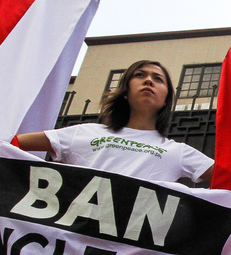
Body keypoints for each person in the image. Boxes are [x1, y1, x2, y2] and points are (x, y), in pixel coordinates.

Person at [15, 60, 213, 184]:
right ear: (125, 92)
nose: (149, 81)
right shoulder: (84, 133)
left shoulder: (178, 152)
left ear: (165, 99)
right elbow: (9, 144)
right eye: (140, 75)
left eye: (158, 79)